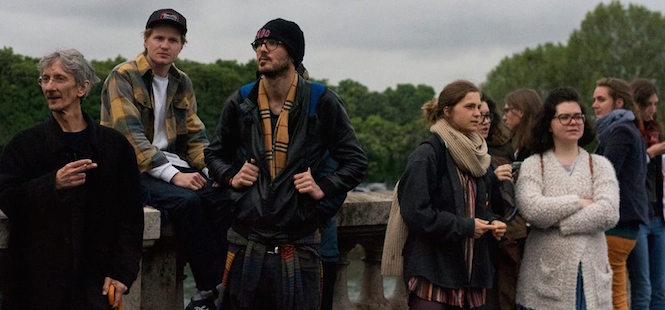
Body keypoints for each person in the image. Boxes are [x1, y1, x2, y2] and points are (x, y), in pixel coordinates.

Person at [204, 18, 367, 309]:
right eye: (258, 44)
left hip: (298, 241)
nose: (262, 50)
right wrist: (231, 176)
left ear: (292, 53)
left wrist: (323, 188)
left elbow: (354, 161)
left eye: (272, 43)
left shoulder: (321, 100)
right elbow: (214, 154)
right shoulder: (243, 99)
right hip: (246, 239)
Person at [100, 8, 229, 309]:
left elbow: (195, 136)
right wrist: (175, 176)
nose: (165, 45)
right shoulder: (122, 76)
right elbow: (130, 139)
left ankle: (229, 281)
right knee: (188, 202)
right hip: (130, 169)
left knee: (224, 197)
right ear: (146, 40)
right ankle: (211, 291)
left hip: (172, 165)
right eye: (158, 38)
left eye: (173, 40)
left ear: (182, 45)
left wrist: (214, 170)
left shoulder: (182, 82)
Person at [0, 49, 143, 309]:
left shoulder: (114, 146)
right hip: (36, 288)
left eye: (59, 79)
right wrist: (52, 183)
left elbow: (131, 216)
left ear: (82, 87)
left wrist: (122, 272)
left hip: (95, 286)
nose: (50, 87)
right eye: (45, 79)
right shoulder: (24, 145)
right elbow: (6, 198)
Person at [398, 80, 507, 309]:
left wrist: (492, 223)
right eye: (469, 107)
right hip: (433, 272)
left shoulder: (480, 157)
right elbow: (416, 214)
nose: (477, 114)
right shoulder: (427, 154)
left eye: (479, 107)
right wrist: (466, 227)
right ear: (447, 111)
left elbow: (481, 207)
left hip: (470, 276)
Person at [514, 87, 619, 310]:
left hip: (591, 277)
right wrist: (579, 202)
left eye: (578, 116)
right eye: (564, 117)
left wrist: (559, 223)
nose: (573, 122)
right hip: (544, 280)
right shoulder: (534, 165)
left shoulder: (599, 165)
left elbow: (609, 212)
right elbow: (532, 210)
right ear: (549, 124)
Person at [592, 77, 649, 310]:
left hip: (619, 222)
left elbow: (606, 172)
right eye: (594, 99)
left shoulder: (620, 131)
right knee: (616, 289)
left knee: (613, 294)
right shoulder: (626, 129)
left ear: (618, 103)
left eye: (600, 99)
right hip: (627, 222)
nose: (594, 104)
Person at [480, 93, 522, 310]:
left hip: (504, 232)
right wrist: (492, 178)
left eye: (488, 116)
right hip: (476, 235)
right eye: (479, 115)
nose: (485, 121)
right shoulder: (454, 150)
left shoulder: (502, 145)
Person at [627, 78, 665, 309]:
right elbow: (628, 170)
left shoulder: (656, 132)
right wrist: (651, 152)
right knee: (642, 287)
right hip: (638, 217)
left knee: (660, 288)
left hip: (658, 215)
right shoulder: (628, 133)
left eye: (655, 104)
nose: (653, 110)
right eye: (649, 104)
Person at [502, 88, 542, 161]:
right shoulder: (526, 144)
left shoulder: (537, 147)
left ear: (520, 111)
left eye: (507, 111)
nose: (504, 117)